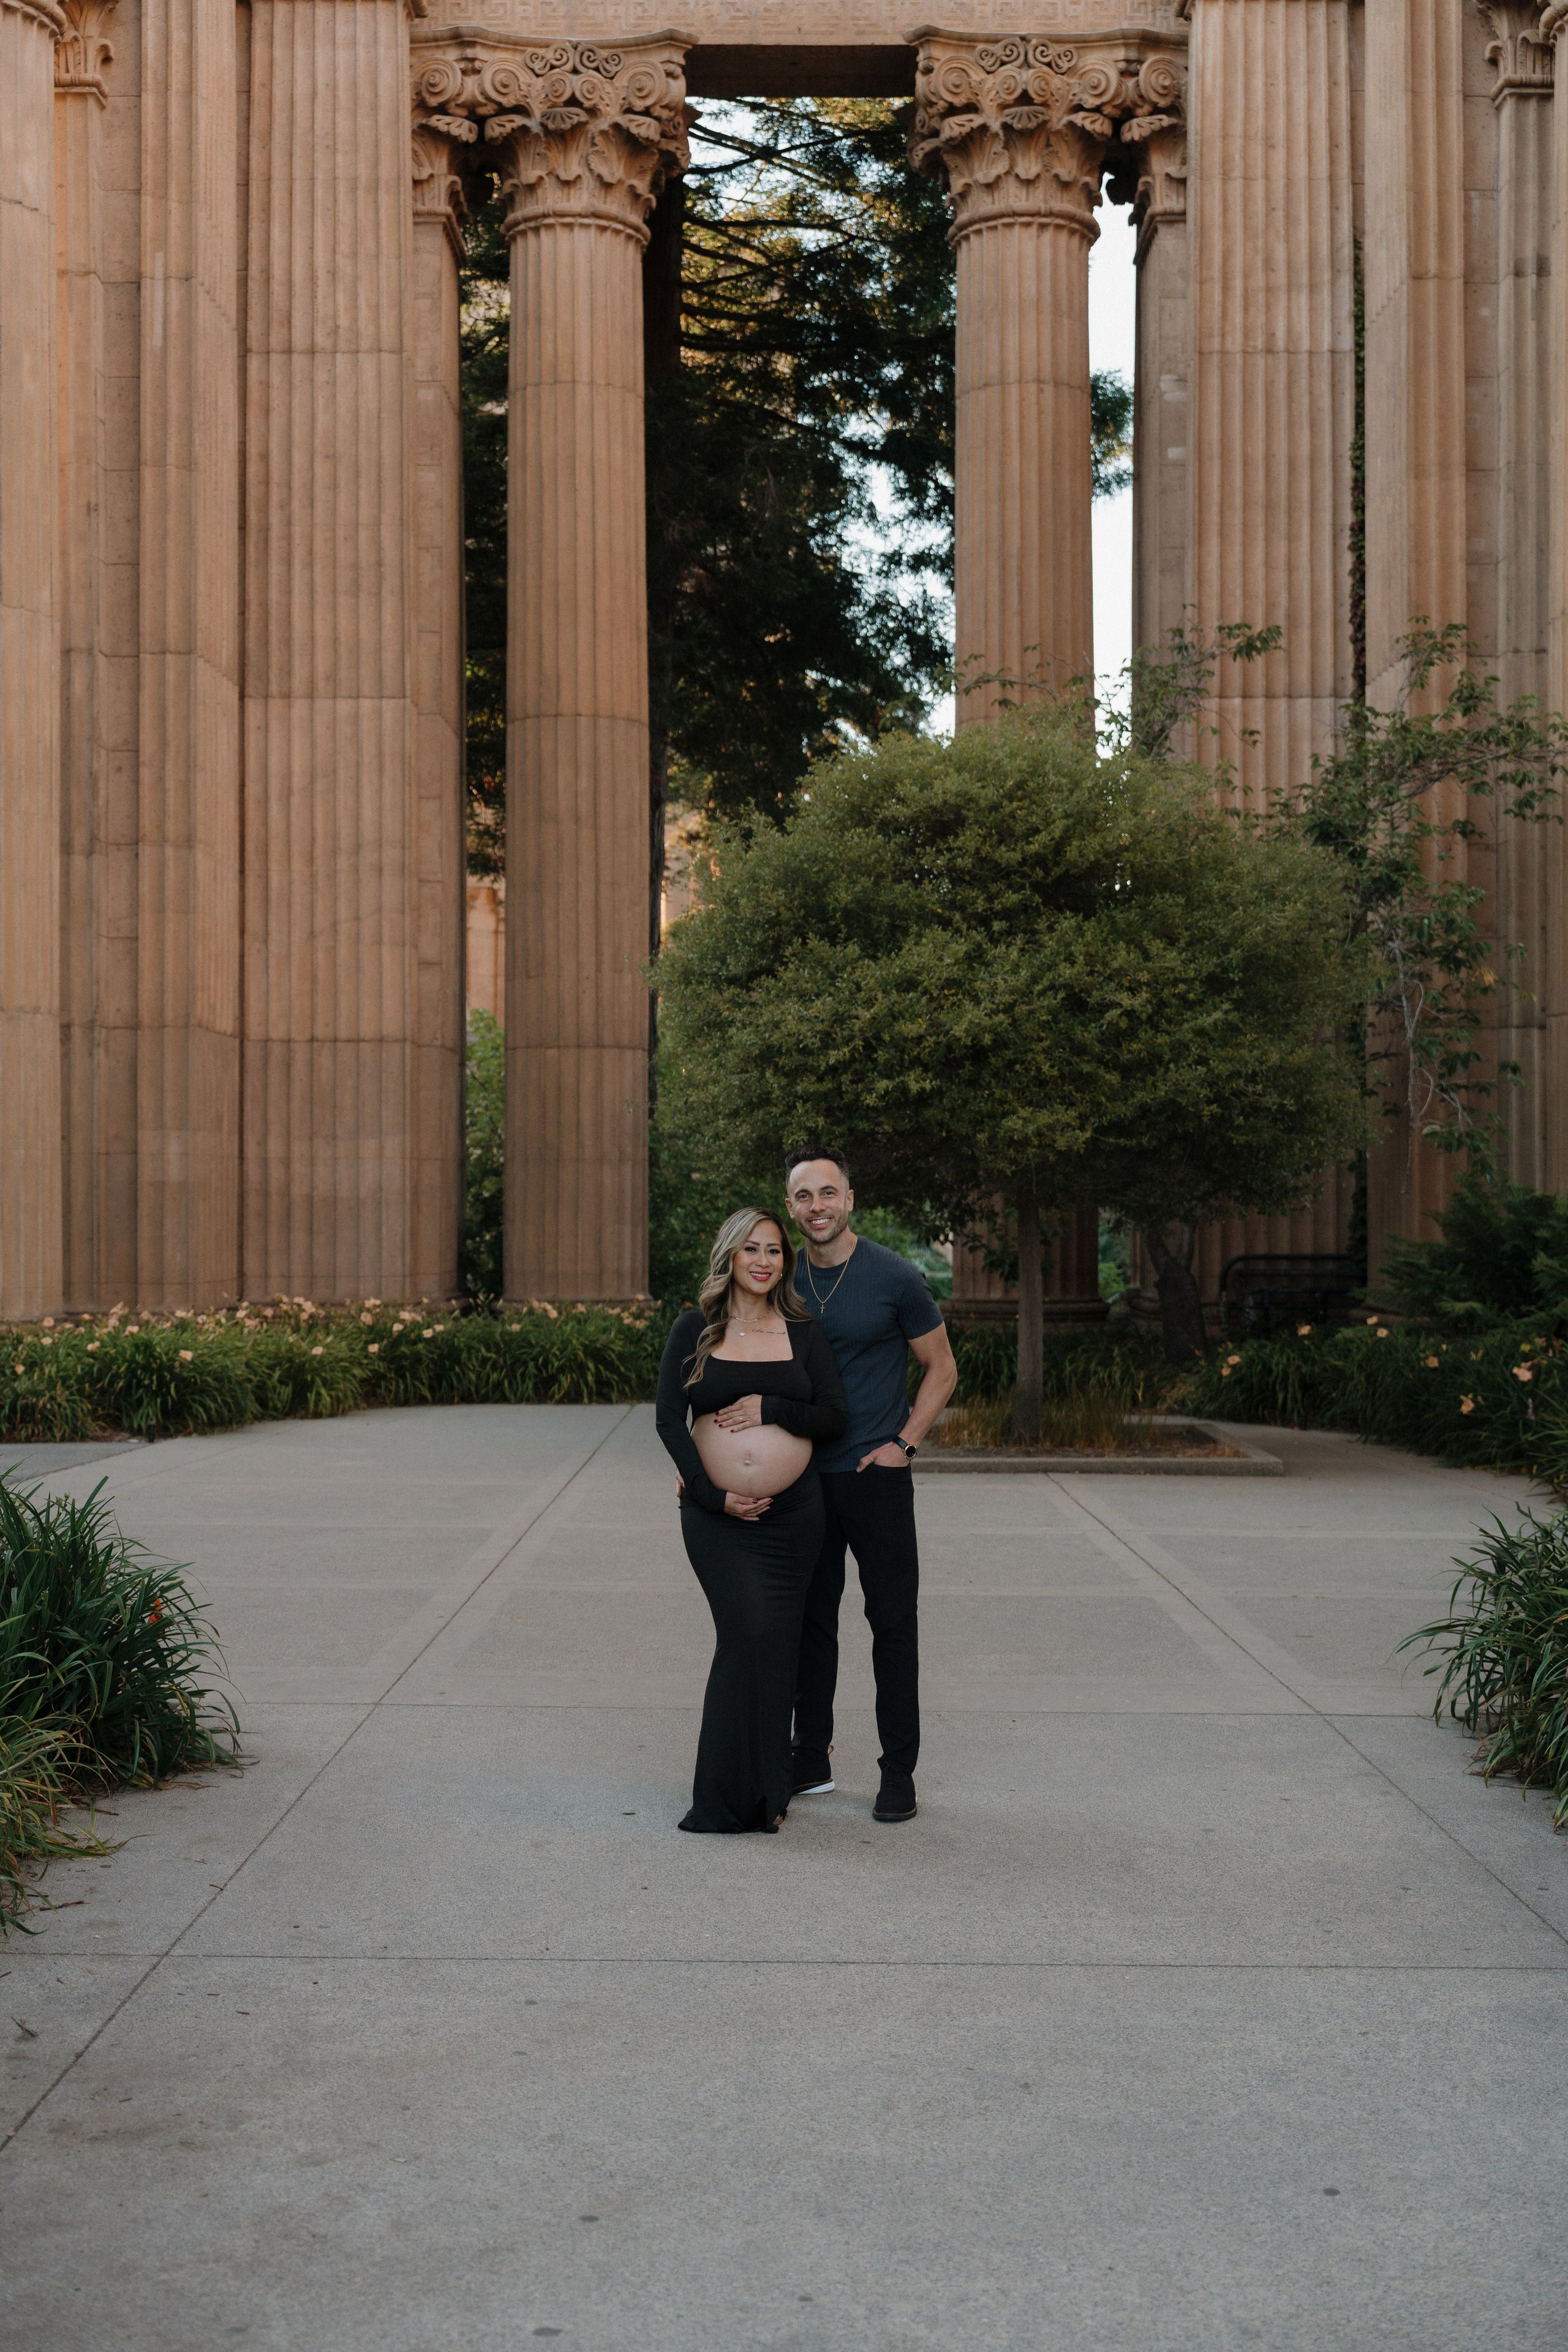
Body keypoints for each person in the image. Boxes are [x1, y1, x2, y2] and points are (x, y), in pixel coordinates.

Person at [655, 1207, 848, 1834]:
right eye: (753, 1250)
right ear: (730, 1257)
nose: (764, 1262)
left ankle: (769, 1795)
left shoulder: (803, 1332)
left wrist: (773, 1406)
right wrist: (713, 1495)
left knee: (774, 1645)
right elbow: (666, 1419)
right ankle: (720, 1799)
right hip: (717, 1518)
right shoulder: (695, 1329)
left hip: (793, 1517)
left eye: (774, 1252)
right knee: (745, 1634)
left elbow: (832, 1417)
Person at [785, 1149, 957, 1823]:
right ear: (791, 1204)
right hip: (801, 1479)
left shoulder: (894, 1276)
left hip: (875, 1479)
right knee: (808, 1623)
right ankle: (810, 1757)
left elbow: (941, 1368)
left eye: (828, 1193)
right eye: (804, 1196)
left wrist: (904, 1444)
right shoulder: (780, 1277)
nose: (817, 1206)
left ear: (850, 1200)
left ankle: (898, 1773)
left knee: (891, 1622)